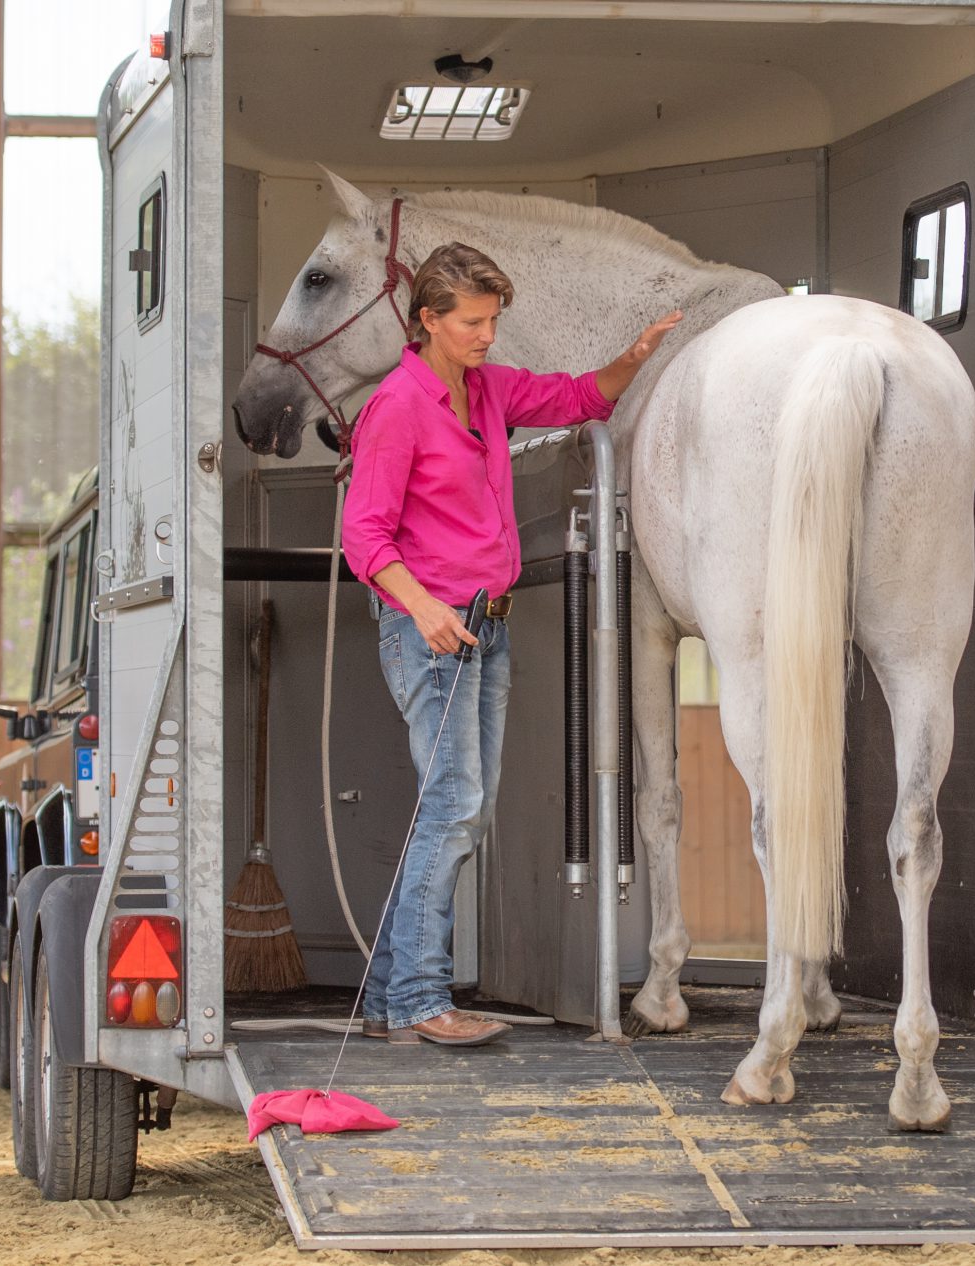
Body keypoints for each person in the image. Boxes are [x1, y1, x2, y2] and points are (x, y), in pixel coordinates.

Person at [341, 241, 682, 1047]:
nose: (488, 335)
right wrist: (423, 608)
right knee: (456, 808)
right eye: (472, 322)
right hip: (434, 630)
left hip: (483, 628)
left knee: (458, 809)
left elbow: (577, 399)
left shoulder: (487, 391)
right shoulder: (398, 406)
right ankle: (424, 1001)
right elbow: (365, 537)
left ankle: (394, 998)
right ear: (427, 321)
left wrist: (633, 358)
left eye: (493, 319)